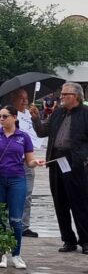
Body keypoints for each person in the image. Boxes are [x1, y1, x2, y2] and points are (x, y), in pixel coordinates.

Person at [31, 82, 88, 254]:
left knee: (80, 203)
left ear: (76, 96)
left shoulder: (85, 114)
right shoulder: (58, 113)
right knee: (60, 202)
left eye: (65, 94)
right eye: (62, 94)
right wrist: (35, 118)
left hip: (76, 163)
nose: (61, 97)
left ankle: (85, 240)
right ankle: (68, 240)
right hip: (56, 161)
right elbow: (42, 132)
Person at [0, 106, 41, 269]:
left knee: (16, 219)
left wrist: (36, 163)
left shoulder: (23, 137)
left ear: (14, 118)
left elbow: (29, 160)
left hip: (17, 179)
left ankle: (16, 254)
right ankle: (1, 253)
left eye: (5, 116)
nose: (2, 119)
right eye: (0, 116)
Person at [0, 88, 44, 238]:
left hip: (26, 161)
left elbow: (40, 132)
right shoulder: (3, 115)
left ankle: (24, 225)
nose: (25, 101)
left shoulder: (29, 115)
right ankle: (5, 226)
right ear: (13, 98)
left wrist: (36, 118)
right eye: (21, 98)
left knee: (26, 194)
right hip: (5, 165)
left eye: (26, 98)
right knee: (4, 198)